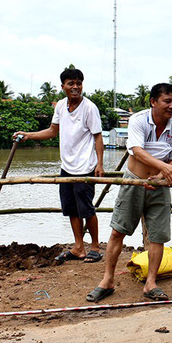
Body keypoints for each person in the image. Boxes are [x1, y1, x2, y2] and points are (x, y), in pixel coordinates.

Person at [86, 83, 172, 303]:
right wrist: (165, 168)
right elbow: (137, 152)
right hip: (134, 182)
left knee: (157, 237)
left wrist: (162, 176)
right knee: (117, 231)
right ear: (153, 102)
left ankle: (151, 283)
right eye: (167, 101)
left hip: (160, 186)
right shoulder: (139, 120)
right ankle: (108, 280)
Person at [14, 67, 104, 264]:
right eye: (71, 83)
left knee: (86, 209)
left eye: (78, 83)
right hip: (67, 166)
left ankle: (95, 247)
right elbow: (52, 131)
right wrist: (29, 135)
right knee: (71, 209)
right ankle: (79, 247)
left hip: (85, 167)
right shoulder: (61, 106)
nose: (75, 87)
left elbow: (98, 137)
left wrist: (100, 164)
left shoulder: (89, 108)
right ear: (63, 86)